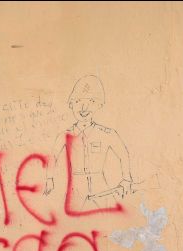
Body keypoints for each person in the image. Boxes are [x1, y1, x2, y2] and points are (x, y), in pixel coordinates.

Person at [49, 75, 134, 209]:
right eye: (78, 101)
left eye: (91, 101)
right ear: (71, 104)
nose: (84, 107)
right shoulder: (64, 135)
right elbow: (53, 157)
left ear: (99, 105)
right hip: (76, 189)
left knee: (107, 221)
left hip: (101, 188)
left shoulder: (107, 133)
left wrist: (126, 179)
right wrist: (49, 179)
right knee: (73, 222)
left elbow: (123, 154)